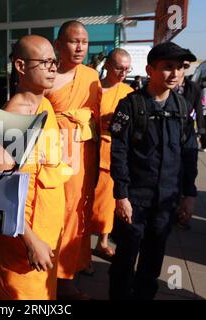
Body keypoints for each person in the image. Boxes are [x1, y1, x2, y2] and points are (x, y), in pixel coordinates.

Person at [0, 35, 71, 299]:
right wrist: (31, 242)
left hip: (47, 231)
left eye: (54, 61)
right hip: (22, 240)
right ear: (21, 67)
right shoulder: (13, 118)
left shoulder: (44, 105)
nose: (53, 68)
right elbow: (0, 193)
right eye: (45, 62)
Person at [109, 42, 198, 300]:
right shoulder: (131, 106)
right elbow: (119, 153)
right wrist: (121, 195)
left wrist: (189, 194)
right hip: (135, 199)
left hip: (166, 201)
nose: (175, 73)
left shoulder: (182, 108)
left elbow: (190, 153)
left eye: (180, 68)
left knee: (153, 260)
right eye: (168, 67)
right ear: (150, 69)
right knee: (125, 259)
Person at [45, 20, 101, 299]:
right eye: (73, 41)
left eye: (84, 42)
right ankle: (52, 274)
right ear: (58, 45)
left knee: (78, 212)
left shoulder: (91, 76)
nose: (80, 47)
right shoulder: (47, 75)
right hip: (53, 154)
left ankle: (69, 274)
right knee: (55, 212)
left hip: (83, 154)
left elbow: (98, 116)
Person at [91, 48, 133, 260]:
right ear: (107, 65)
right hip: (89, 148)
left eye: (127, 69)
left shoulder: (129, 92)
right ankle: (80, 245)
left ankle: (103, 241)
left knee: (107, 202)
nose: (123, 73)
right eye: (119, 68)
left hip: (111, 153)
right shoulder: (93, 88)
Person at [174, 58, 204, 229]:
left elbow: (198, 110)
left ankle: (183, 213)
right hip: (169, 136)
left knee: (189, 171)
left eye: (184, 66)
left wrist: (201, 131)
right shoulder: (167, 86)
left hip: (187, 136)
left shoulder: (193, 88)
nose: (179, 70)